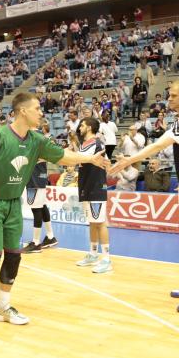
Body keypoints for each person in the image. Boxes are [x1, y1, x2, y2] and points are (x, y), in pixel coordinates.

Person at [0, 92, 109, 329]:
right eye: (37, 108)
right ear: (23, 111)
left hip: (14, 202)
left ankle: (2, 305)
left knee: (14, 255)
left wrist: (89, 159)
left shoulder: (36, 140)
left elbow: (64, 156)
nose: (41, 112)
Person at [111, 80, 179, 313]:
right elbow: (162, 140)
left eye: (173, 95)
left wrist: (129, 160)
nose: (169, 99)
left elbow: (159, 144)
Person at [75, 117, 112, 273]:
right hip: (86, 185)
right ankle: (93, 254)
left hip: (96, 186)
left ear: (89, 127)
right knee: (92, 222)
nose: (79, 128)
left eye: (82, 125)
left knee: (100, 222)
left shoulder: (97, 143)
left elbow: (106, 163)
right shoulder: (84, 144)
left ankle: (106, 259)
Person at [21, 122, 58, 254]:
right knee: (41, 206)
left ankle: (36, 243)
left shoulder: (35, 137)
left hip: (35, 177)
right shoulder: (39, 136)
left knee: (36, 208)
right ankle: (50, 236)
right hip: (38, 176)